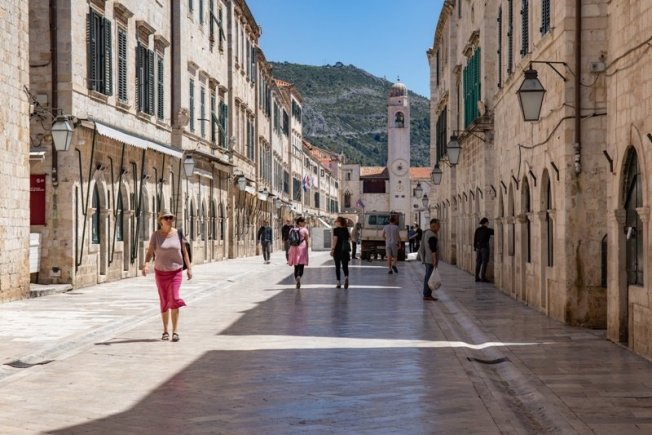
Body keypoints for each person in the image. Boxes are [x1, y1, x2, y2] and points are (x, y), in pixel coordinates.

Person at [142, 210, 192, 342]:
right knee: (164, 300)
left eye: (171, 218)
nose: (169, 220)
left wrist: (189, 268)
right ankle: (165, 331)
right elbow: (150, 252)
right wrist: (146, 264)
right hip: (160, 272)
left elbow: (185, 252)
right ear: (161, 221)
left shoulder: (178, 234)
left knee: (174, 298)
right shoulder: (156, 235)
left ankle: (175, 332)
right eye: (166, 218)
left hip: (176, 272)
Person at [419, 218, 440, 301]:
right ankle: (427, 294)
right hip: (430, 260)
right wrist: (434, 260)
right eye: (438, 226)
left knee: (427, 276)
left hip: (427, 259)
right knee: (429, 278)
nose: (439, 228)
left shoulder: (427, 233)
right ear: (434, 226)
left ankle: (427, 294)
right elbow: (433, 249)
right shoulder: (432, 235)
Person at [288, 216, 309, 288]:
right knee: (301, 265)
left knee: (296, 266)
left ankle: (296, 277)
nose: (305, 223)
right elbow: (307, 240)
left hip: (293, 248)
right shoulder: (304, 230)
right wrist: (307, 248)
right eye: (304, 222)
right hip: (302, 248)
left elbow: (290, 239)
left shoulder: (292, 230)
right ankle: (299, 276)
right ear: (300, 222)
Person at [331, 216, 351, 288]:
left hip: (337, 250)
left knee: (337, 266)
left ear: (339, 222)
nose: (335, 222)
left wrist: (333, 249)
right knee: (345, 266)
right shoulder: (346, 229)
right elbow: (349, 238)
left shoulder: (336, 230)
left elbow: (335, 239)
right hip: (345, 250)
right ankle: (346, 277)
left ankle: (338, 282)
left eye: (336, 221)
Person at [474, 217, 495, 282]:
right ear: (485, 223)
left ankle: (476, 277)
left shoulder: (477, 230)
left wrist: (475, 247)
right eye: (487, 222)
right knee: (484, 262)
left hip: (478, 248)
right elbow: (495, 231)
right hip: (485, 248)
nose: (488, 224)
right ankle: (483, 277)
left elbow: (475, 239)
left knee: (478, 262)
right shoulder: (487, 230)